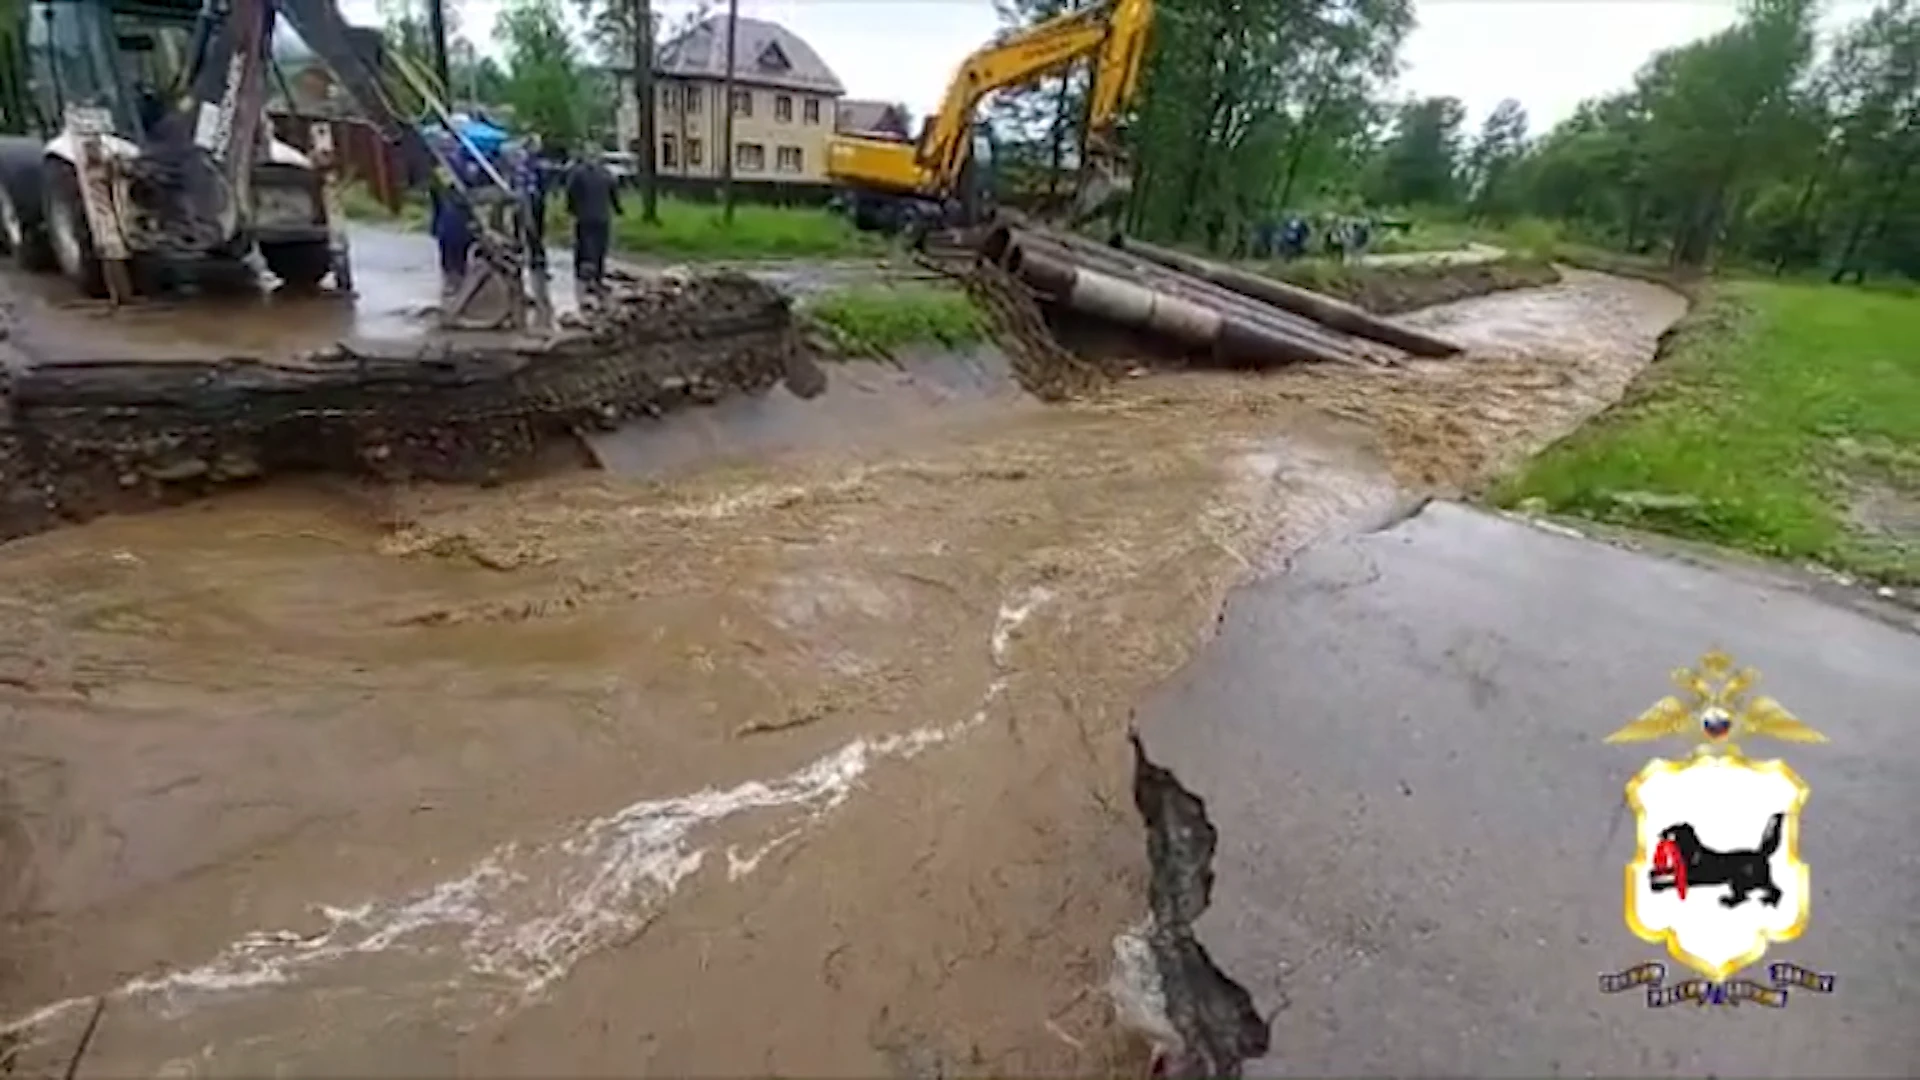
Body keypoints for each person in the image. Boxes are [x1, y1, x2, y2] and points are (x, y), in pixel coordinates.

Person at [564, 147, 622, 303]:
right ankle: (597, 275)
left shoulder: (578, 173)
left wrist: (571, 209)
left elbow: (571, 192)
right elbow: (614, 193)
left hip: (584, 216)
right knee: (600, 246)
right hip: (602, 216)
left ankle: (585, 275)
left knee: (584, 245)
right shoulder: (607, 173)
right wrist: (618, 209)